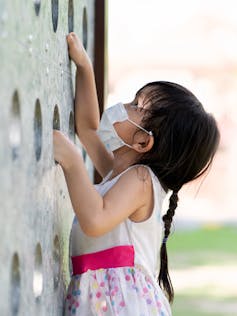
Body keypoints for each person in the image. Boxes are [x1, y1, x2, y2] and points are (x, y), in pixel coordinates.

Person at [53, 32, 220, 316]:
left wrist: (71, 161)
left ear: (144, 142)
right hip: (101, 301)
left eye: (135, 106)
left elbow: (95, 219)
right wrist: (84, 66)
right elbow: (89, 129)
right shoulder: (120, 174)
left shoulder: (141, 180)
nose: (123, 107)